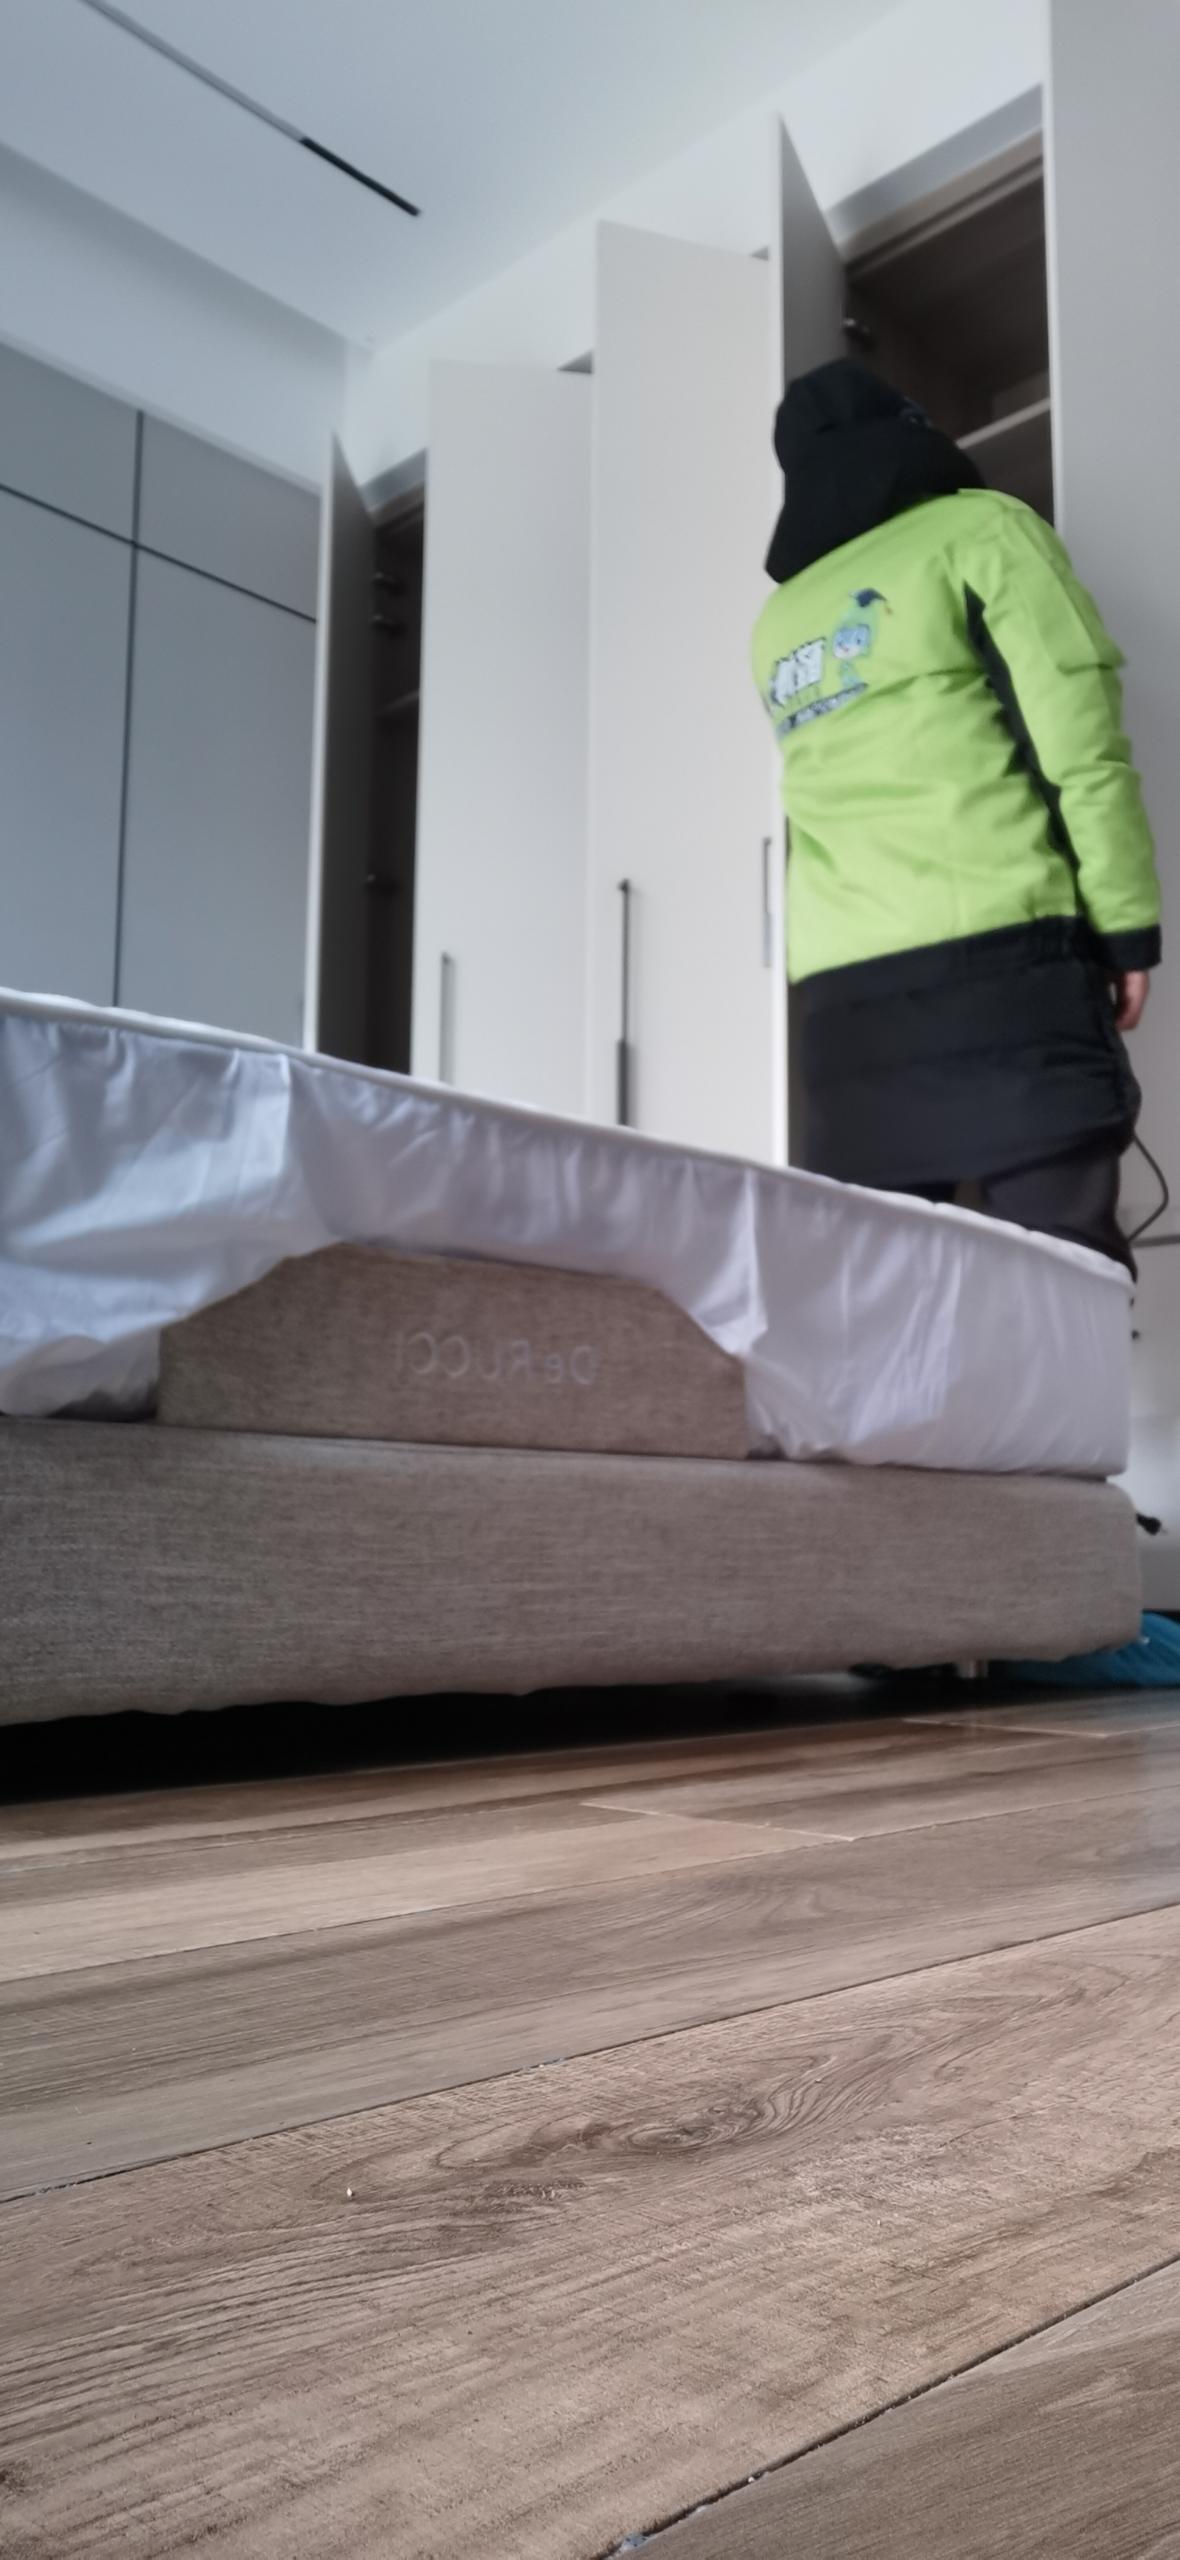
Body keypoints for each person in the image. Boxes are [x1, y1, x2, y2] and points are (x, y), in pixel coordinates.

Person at [752, 359, 1161, 1269]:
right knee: (1063, 1279)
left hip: (844, 1009)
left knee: (887, 1294)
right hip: (1000, 967)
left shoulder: (778, 622)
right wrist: (1127, 929)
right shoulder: (982, 532)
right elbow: (1079, 744)